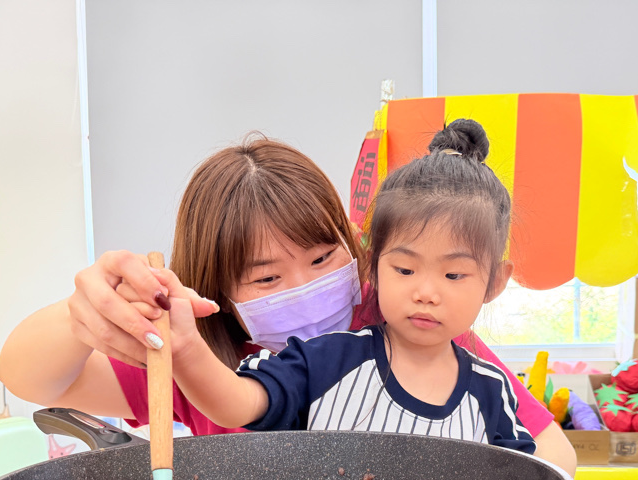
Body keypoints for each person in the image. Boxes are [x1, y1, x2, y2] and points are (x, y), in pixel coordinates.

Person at [0, 133, 576, 474]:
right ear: (217, 290)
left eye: (323, 258)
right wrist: (84, 313)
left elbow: (549, 449)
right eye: (267, 277)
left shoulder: (408, 324)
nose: (304, 285)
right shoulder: (199, 358)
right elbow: (28, 378)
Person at [150, 120, 537, 455]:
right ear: (372, 264)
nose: (426, 293)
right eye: (405, 269)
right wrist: (185, 345)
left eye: (453, 275)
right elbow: (237, 403)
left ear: (494, 282)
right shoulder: (326, 360)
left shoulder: (492, 391)